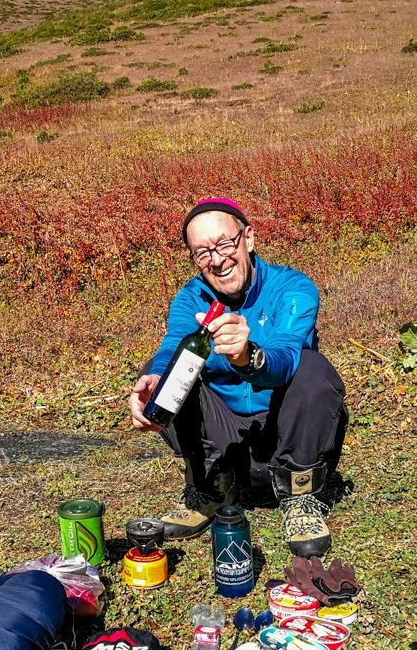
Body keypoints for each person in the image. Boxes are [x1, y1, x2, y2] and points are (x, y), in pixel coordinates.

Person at [128, 197, 348, 558]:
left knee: (312, 369)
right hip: (227, 442)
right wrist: (153, 377)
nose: (216, 259)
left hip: (285, 434)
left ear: (248, 238)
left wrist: (249, 356)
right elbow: (173, 345)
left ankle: (300, 495)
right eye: (202, 253)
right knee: (168, 376)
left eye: (225, 244)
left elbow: (286, 354)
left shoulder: (293, 288)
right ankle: (212, 487)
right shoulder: (190, 299)